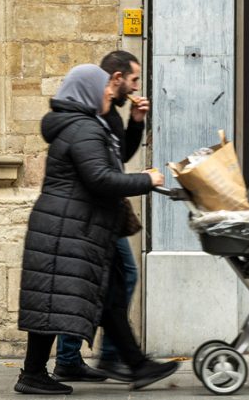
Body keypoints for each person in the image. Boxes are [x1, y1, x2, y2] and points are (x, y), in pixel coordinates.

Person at [15, 64, 179, 395]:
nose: (110, 93)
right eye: (104, 88)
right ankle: (34, 374)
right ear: (89, 91)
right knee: (56, 300)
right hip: (70, 227)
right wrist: (146, 180)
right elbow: (100, 178)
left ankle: (134, 364)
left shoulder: (83, 126)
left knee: (88, 298)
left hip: (75, 225)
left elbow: (108, 166)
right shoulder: (84, 129)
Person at [53, 50, 149, 384]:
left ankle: (80, 357)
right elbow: (101, 172)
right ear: (117, 77)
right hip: (91, 215)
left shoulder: (111, 115)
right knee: (102, 284)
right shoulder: (94, 114)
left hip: (103, 213)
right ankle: (109, 356)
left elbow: (119, 156)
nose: (136, 86)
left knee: (103, 283)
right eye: (134, 79)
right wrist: (146, 180)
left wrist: (136, 124)